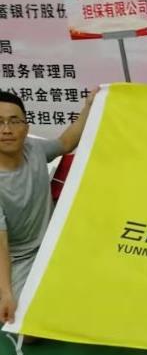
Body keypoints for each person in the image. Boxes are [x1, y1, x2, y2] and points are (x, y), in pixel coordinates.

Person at [0, 90, 94, 325]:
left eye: (14, 121)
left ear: (26, 127)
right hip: (15, 259)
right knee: (29, 330)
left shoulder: (34, 149)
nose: (6, 130)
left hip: (52, 247)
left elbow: (66, 142)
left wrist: (89, 106)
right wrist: (7, 293)